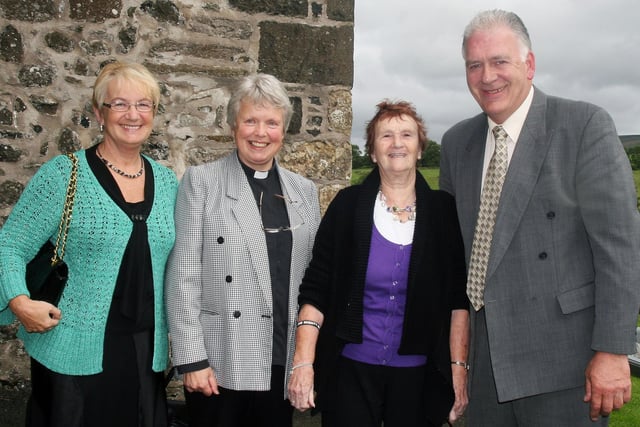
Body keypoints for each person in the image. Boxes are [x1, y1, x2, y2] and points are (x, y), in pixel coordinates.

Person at [439, 9, 640, 426]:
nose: (487, 76)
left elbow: (619, 247)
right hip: (483, 368)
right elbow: (452, 256)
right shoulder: (457, 143)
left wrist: (613, 350)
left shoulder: (582, 125)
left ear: (529, 65)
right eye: (474, 65)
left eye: (499, 61)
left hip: (564, 364)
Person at [0, 61, 178, 426]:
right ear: (99, 113)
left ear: (154, 114)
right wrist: (19, 302)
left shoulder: (168, 182)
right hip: (72, 349)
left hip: (145, 352)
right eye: (119, 104)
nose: (133, 115)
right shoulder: (64, 174)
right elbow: (10, 245)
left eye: (144, 105)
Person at [287, 100, 470, 427]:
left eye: (406, 135)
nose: (397, 143)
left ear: (419, 149)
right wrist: (303, 364)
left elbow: (458, 301)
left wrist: (458, 372)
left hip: (419, 376)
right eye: (386, 136)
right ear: (372, 152)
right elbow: (315, 290)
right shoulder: (347, 206)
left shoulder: (444, 212)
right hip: (350, 373)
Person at [165, 73, 321, 427]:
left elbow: (313, 279)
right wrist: (191, 359)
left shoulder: (304, 191)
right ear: (234, 125)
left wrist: (307, 359)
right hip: (220, 362)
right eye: (250, 120)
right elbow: (183, 276)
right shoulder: (202, 182)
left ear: (284, 130)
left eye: (271, 123)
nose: (260, 133)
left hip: (281, 358)